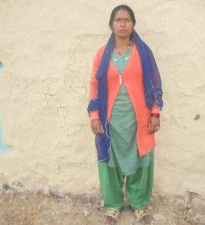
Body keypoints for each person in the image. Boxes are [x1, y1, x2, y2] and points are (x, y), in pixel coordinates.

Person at [87, 4, 163, 224]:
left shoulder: (143, 52)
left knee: (141, 160)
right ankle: (112, 204)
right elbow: (94, 85)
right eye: (118, 20)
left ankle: (139, 204)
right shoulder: (102, 54)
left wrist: (155, 113)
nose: (122, 24)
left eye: (127, 20)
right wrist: (94, 116)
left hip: (138, 119)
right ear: (111, 24)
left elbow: (154, 83)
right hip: (110, 120)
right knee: (109, 161)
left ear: (133, 24)